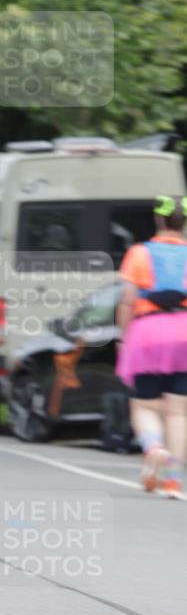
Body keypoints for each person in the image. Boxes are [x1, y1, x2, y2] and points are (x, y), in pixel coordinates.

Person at [116, 194, 187, 499]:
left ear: (158, 219)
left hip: (147, 332)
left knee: (144, 404)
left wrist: (123, 336)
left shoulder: (139, 253)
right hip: (184, 331)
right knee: (178, 411)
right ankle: (172, 478)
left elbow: (127, 300)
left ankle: (153, 446)